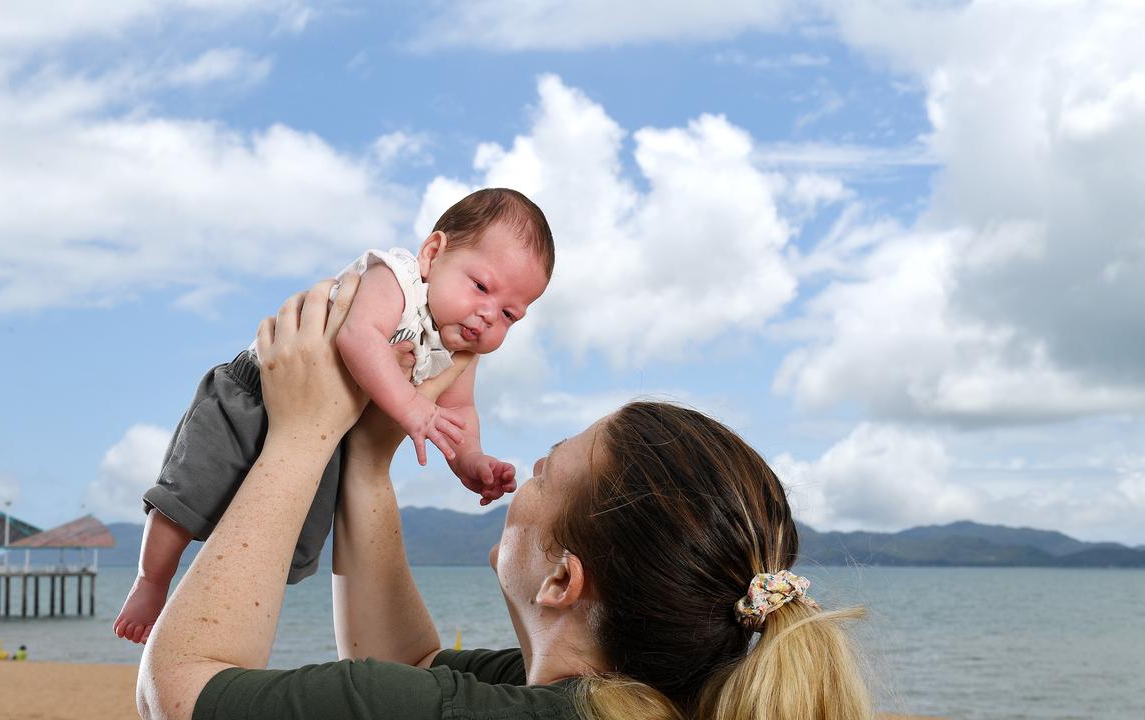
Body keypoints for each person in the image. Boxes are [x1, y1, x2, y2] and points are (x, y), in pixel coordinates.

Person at [137, 276, 873, 720]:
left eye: (549, 471)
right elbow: (416, 666)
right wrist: (365, 460)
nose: (527, 479)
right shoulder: (641, 694)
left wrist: (300, 434)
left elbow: (177, 693)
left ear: (562, 580)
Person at [115, 188, 555, 645]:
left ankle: (216, 615)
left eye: (509, 314)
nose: (488, 316)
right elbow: (357, 337)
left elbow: (458, 410)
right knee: (187, 495)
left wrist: (471, 459)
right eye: (481, 287)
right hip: (257, 393)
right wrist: (411, 407)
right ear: (432, 253)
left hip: (327, 434)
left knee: (286, 544)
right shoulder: (396, 278)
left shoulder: (456, 349)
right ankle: (151, 581)